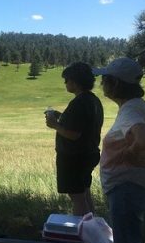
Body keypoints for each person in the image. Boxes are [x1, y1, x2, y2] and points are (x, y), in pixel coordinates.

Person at [93, 57, 145, 243]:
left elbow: (144, 139)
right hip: (130, 186)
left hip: (128, 186)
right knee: (129, 239)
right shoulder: (134, 106)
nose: (101, 83)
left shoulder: (132, 109)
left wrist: (123, 156)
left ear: (116, 85)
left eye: (105, 79)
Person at [45, 62, 104, 216]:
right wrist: (61, 115)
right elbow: (81, 124)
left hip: (74, 158)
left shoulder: (79, 103)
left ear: (75, 82)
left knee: (77, 198)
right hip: (88, 154)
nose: (65, 83)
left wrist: (54, 124)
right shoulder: (93, 100)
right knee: (84, 194)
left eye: (67, 80)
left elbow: (74, 134)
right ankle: (93, 228)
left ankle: (82, 234)